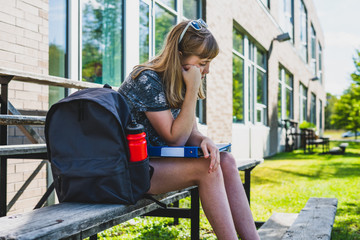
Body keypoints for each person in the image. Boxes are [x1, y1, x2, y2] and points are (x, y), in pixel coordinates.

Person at [119, 19, 260, 240]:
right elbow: (175, 139)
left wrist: (204, 139)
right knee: (207, 168)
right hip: (131, 171)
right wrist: (193, 88)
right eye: (203, 62)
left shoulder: (177, 80)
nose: (207, 70)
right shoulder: (147, 79)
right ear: (179, 54)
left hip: (157, 164)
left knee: (226, 160)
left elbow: (190, 133)